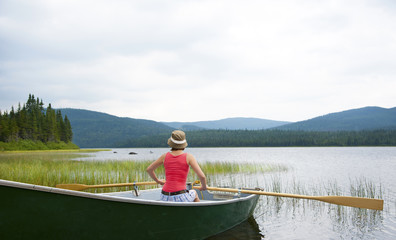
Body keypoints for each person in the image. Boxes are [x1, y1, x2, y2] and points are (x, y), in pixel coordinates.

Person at [146, 130, 207, 202]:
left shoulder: (164, 156)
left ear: (171, 144)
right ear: (184, 144)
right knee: (194, 193)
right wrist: (203, 186)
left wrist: (158, 181)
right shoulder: (189, 157)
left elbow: (149, 169)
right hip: (180, 196)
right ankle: (196, 212)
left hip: (164, 196)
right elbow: (202, 177)